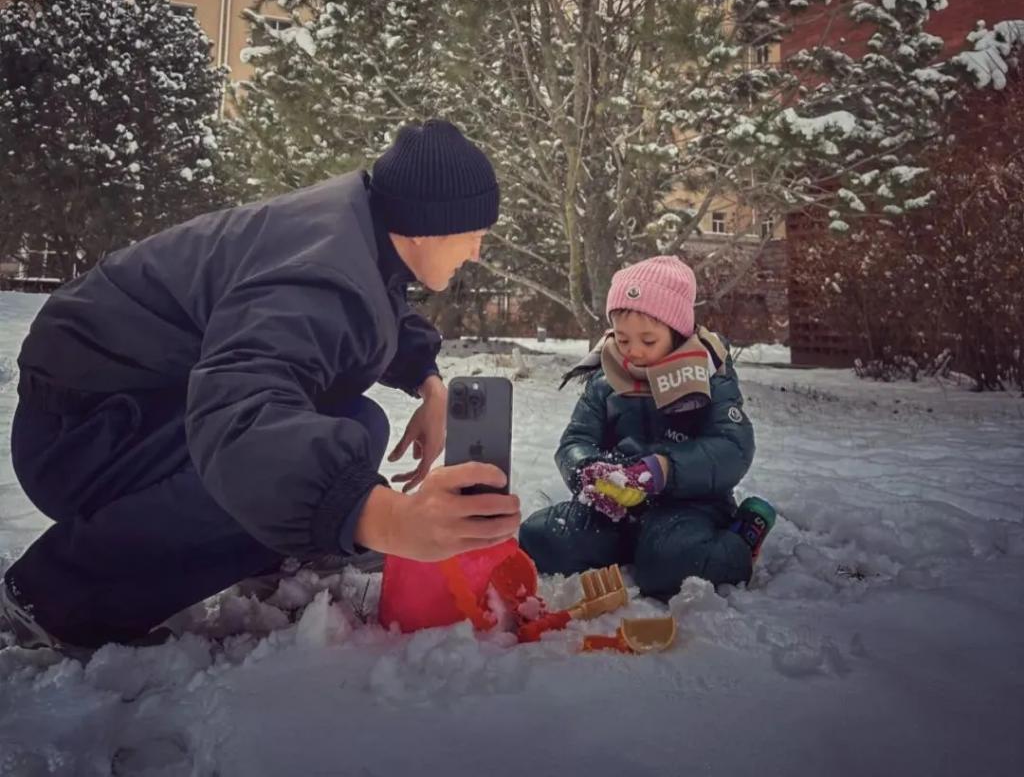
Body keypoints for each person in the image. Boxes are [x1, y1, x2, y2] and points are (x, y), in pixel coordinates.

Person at [0, 119, 520, 657]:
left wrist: (427, 380)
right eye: (474, 232)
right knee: (269, 463)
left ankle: (276, 548)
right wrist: (385, 518)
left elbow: (372, 309)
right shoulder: (322, 270)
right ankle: (56, 596)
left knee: (356, 428)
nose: (477, 251)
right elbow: (240, 418)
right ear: (425, 225)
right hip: (82, 434)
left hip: (128, 404)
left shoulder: (356, 229)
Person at [519, 256, 776, 600]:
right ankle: (633, 547)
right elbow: (576, 440)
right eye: (623, 340)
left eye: (648, 340)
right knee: (540, 537)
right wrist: (588, 470)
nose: (633, 352)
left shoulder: (709, 374)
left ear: (676, 333)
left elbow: (733, 447)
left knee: (669, 569)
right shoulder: (606, 378)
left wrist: (665, 469)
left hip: (690, 504)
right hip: (618, 507)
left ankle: (738, 541)